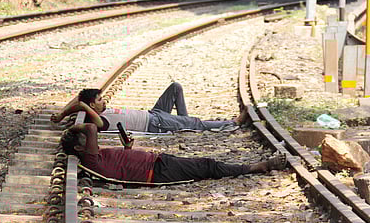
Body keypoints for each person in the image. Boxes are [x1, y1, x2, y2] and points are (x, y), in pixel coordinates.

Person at [60, 123, 287, 183]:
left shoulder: (93, 155)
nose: (91, 139)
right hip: (158, 170)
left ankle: (253, 167)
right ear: (80, 148)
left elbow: (118, 163)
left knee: (204, 165)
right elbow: (91, 127)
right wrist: (72, 128)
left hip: (158, 163)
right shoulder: (89, 157)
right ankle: (258, 167)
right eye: (85, 141)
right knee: (207, 166)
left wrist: (127, 150)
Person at [51, 83, 247, 133]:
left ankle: (185, 124)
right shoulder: (100, 121)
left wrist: (61, 115)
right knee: (195, 122)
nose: (105, 101)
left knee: (175, 87)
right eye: (100, 100)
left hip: (154, 114)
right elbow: (80, 103)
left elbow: (77, 98)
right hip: (155, 123)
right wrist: (83, 106)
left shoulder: (98, 110)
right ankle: (232, 123)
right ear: (92, 105)